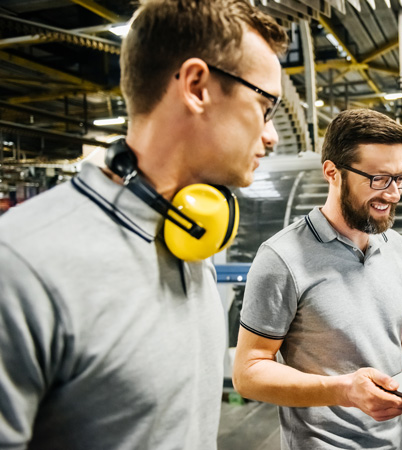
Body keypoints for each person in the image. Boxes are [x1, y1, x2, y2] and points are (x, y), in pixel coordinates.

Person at [0, 0, 287, 448]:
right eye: (264, 105)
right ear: (197, 86)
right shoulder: (21, 266)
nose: (270, 135)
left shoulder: (190, 244)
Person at [234, 109, 402, 449]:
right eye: (379, 179)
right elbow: (248, 373)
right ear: (333, 172)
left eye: (400, 178)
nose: (393, 194)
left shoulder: (398, 247)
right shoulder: (281, 258)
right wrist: (344, 390)